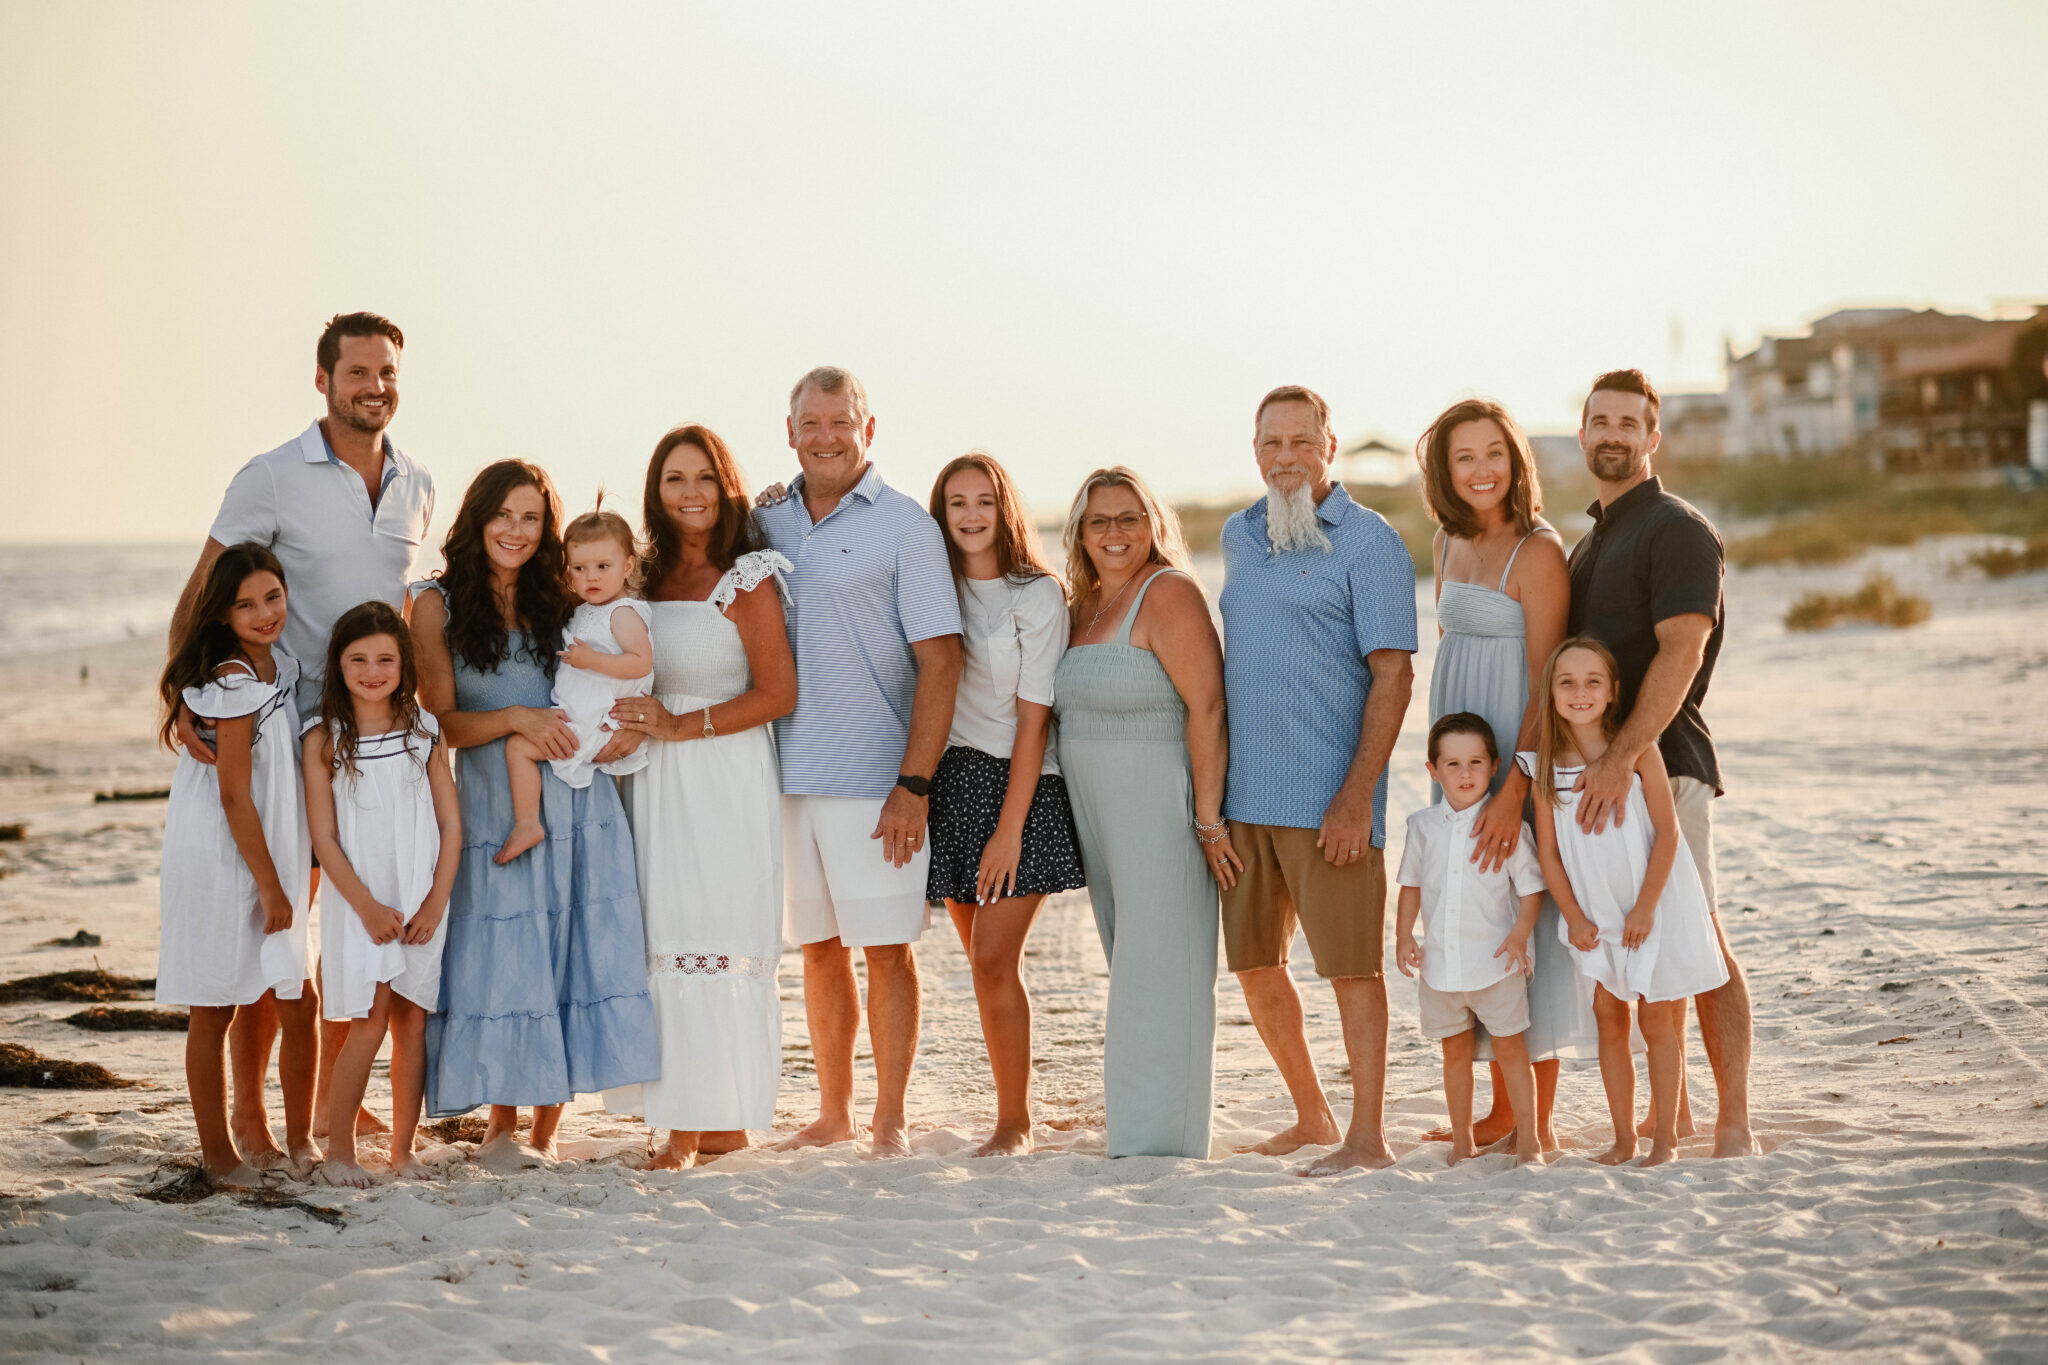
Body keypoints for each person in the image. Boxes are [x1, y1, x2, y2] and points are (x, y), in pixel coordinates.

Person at [170, 312, 436, 1157]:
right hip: (286, 735)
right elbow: (208, 588)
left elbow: (405, 608)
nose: (375, 387)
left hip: (374, 737)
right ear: (323, 379)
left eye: (387, 372)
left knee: (357, 927)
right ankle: (248, 1113)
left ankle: (335, 1100)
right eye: (358, 372)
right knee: (275, 929)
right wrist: (182, 693)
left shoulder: (417, 483)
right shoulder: (273, 476)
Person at [410, 460, 660, 1160]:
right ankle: (499, 1123)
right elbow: (441, 725)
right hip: (494, 803)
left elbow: (635, 654)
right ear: (477, 518)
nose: (517, 531)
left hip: (579, 797)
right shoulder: (437, 604)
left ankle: (545, 1132)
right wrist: (517, 717)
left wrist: (630, 731)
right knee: (501, 954)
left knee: (566, 952)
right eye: (504, 515)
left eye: (531, 518)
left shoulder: (569, 596)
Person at [754, 367, 963, 1160]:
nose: (826, 437)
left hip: (877, 779)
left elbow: (940, 662)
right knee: (816, 947)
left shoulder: (907, 525)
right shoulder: (765, 519)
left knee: (885, 947)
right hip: (785, 775)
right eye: (811, 422)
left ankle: (890, 1116)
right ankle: (834, 1111)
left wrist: (914, 786)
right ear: (790, 430)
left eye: (841, 422)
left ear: (868, 430)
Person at [1215, 386, 1416, 1177]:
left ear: (1329, 446)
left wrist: (1355, 793)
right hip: (1245, 802)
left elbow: (1394, 674)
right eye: (1272, 442)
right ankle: (1310, 1114)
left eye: (1303, 440)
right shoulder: (1238, 535)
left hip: (1330, 800)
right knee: (1257, 966)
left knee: (1352, 969)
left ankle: (1368, 1136)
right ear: (1255, 448)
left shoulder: (1372, 543)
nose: (1287, 456)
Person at [1568, 368, 1757, 1158]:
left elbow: (1682, 650)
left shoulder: (1676, 526)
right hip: (1603, 774)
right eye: (1599, 420)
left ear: (1653, 438)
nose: (1613, 433)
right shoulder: (1591, 540)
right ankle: (1668, 1115)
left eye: (1629, 422)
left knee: (1698, 935)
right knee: (1633, 935)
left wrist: (1622, 754)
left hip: (1662, 763)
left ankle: (1735, 1119)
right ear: (1583, 434)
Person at [601, 425, 797, 1170]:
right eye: (675, 479)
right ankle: (687, 1124)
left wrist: (685, 724)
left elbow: (780, 692)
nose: (690, 493)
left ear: (726, 486)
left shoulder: (748, 576)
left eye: (704, 478)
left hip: (723, 770)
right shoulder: (639, 578)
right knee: (666, 934)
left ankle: (715, 1123)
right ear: (656, 490)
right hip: (653, 777)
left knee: (720, 935)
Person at [1413, 397, 1587, 1154]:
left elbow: (1546, 681)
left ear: (1516, 461)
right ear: (1445, 470)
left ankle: (1531, 1116)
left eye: (1494, 453)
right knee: (1467, 912)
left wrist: (1515, 787)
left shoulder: (1539, 551)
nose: (1481, 469)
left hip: (1513, 760)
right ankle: (1496, 1110)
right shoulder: (1448, 541)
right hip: (1458, 755)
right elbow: (1452, 644)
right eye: (1464, 457)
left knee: (1523, 919)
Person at [1053, 466, 1230, 1159]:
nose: (1115, 533)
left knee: (1164, 970)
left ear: (1154, 525)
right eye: (1100, 521)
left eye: (1129, 518)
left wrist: (1208, 817)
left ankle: (1163, 1140)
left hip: (1161, 806)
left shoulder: (1170, 594)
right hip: (1099, 812)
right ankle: (1135, 1127)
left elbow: (1208, 707)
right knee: (1130, 968)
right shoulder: (1082, 604)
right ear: (1080, 532)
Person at [925, 452, 1087, 1158]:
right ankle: (1017, 1101)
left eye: (983, 501)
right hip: (953, 782)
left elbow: (1034, 720)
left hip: (1023, 783)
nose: (970, 515)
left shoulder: (1037, 594)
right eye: (956, 502)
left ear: (1004, 508)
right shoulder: (932, 587)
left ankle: (1014, 1121)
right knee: (983, 963)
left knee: (993, 954)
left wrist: (1010, 830)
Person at [1524, 637, 1728, 1167]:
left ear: (1614, 692)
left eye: (1593, 682)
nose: (1580, 693)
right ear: (1551, 691)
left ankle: (1665, 1138)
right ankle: (1623, 1138)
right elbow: (1548, 853)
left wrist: (1645, 908)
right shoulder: (1546, 763)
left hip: (1647, 905)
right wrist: (1572, 917)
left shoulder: (1639, 752)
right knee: (1608, 1018)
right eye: (1566, 682)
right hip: (1593, 913)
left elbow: (1668, 833)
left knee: (1658, 1021)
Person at [155, 543, 315, 1183]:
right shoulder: (230, 685)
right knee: (214, 1006)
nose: (263, 613)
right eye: (244, 605)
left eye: (272, 597)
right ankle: (219, 1156)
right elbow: (231, 792)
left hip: (264, 849)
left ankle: (296, 1137)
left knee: (295, 994)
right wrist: (274, 886)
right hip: (222, 856)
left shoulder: (282, 666)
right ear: (221, 614)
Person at [304, 602, 460, 1187]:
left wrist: (435, 904)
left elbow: (451, 826)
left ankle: (402, 1148)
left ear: (404, 663)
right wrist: (367, 907)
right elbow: (323, 837)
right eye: (358, 659)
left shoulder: (424, 732)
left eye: (386, 659)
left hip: (421, 901)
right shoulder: (324, 740)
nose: (373, 671)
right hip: (361, 904)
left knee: (412, 1025)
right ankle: (339, 1150)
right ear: (338, 665)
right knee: (366, 1024)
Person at [1392, 714, 1546, 1167]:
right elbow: (1411, 886)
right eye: (1453, 764)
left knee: (1511, 1051)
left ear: (1495, 766)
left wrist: (1520, 936)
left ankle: (1530, 1140)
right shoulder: (1422, 826)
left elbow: (1532, 890)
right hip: (1439, 967)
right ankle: (1462, 1141)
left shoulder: (1509, 826)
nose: (1465, 774)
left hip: (1497, 963)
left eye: (1476, 762)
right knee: (1454, 1054)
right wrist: (1404, 936)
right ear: (1433, 770)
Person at [495, 508, 654, 864]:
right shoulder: (585, 609)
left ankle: (526, 823)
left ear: (628, 566)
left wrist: (592, 661)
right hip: (580, 716)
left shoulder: (623, 613)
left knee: (519, 748)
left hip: (593, 721)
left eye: (602, 567)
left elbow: (640, 662)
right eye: (579, 568)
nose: (590, 577)